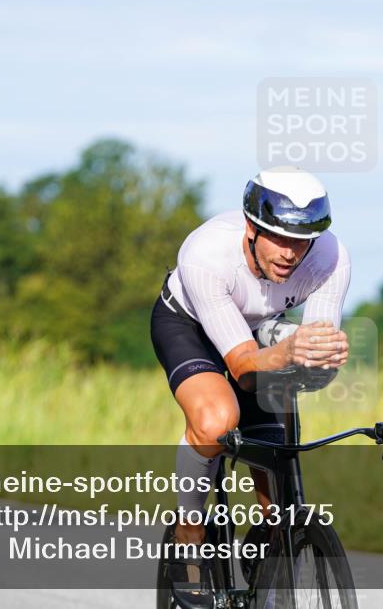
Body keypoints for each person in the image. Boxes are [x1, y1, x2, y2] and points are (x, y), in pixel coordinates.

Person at [149, 165, 351, 606]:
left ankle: (274, 535)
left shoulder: (330, 258)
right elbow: (241, 366)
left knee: (273, 438)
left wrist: (322, 360)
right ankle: (190, 532)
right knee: (217, 420)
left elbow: (311, 347)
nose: (291, 254)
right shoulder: (205, 255)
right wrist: (292, 351)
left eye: (303, 241)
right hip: (190, 325)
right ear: (251, 228)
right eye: (279, 238)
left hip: (262, 331)